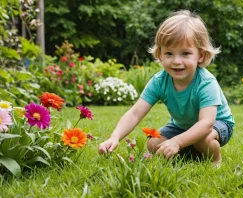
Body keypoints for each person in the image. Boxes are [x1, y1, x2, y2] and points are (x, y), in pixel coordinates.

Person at [98, 10, 234, 166]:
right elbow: (135, 113)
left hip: (218, 125)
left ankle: (214, 159)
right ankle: (191, 148)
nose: (176, 61)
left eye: (185, 53)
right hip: (182, 126)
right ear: (160, 54)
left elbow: (206, 124)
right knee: (153, 143)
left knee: (203, 139)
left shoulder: (206, 83)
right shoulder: (159, 81)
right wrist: (115, 137)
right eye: (169, 53)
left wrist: (176, 141)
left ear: (200, 56)